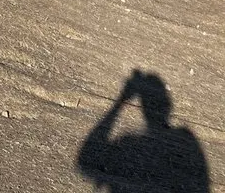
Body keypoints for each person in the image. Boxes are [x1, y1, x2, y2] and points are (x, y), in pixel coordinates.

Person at [76, 70, 209, 192]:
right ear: (168, 105)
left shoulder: (130, 144)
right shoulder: (185, 141)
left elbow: (85, 162)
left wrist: (120, 103)